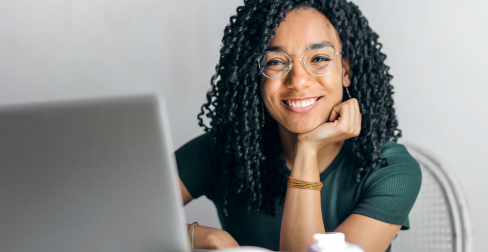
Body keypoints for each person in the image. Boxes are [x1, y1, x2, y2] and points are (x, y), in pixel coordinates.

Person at [174, 1, 422, 252]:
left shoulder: (389, 169)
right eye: (275, 62)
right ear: (256, 75)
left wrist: (307, 148)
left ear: (345, 71)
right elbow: (133, 213)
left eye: (320, 58)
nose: (298, 80)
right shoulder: (222, 150)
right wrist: (208, 238)